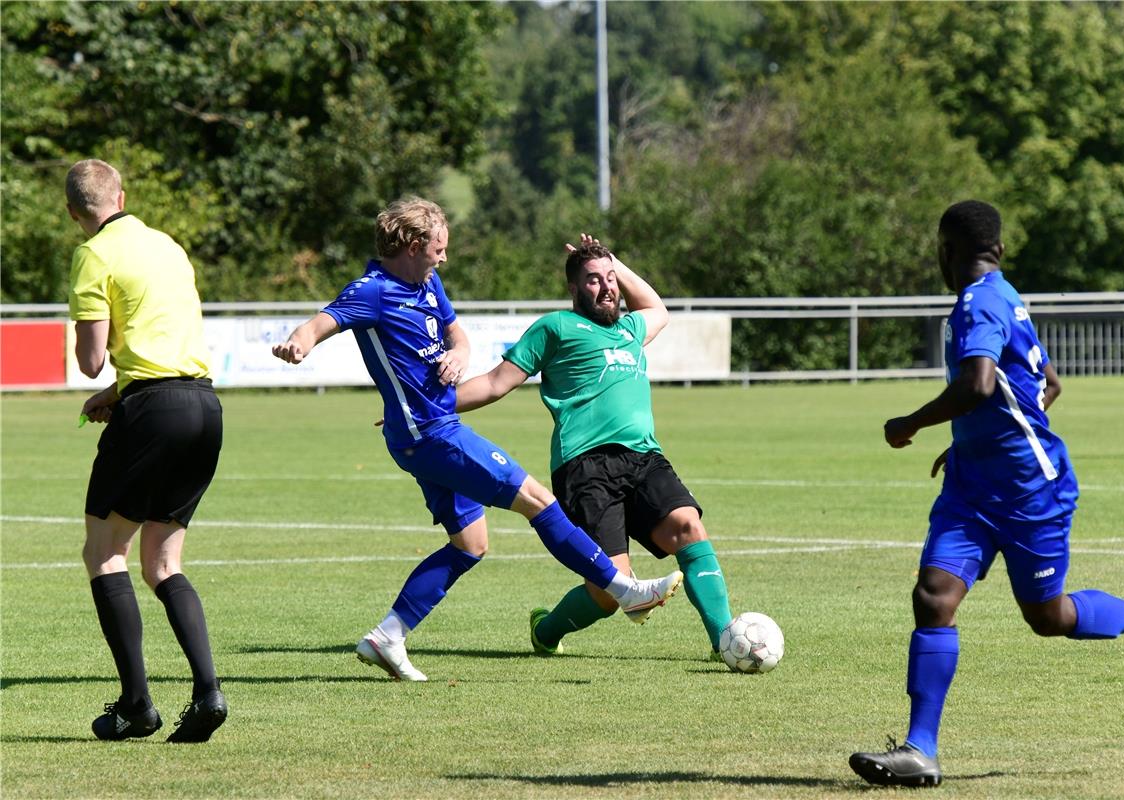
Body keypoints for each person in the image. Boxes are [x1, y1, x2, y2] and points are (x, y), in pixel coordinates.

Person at [848, 200, 1124, 788]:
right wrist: (973, 445)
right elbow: (1046, 385)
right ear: (999, 250)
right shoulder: (1004, 295)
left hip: (1032, 492)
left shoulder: (980, 301)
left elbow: (980, 384)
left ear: (944, 251)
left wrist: (909, 422)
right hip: (972, 488)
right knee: (934, 596)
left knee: (1048, 617)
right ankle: (919, 749)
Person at [271, 198, 683, 682]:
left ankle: (389, 636)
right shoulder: (373, 291)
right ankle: (622, 588)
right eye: (438, 249)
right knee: (537, 499)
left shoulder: (428, 282)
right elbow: (320, 322)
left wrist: (458, 355)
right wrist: (298, 343)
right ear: (410, 245)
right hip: (432, 435)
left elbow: (458, 336)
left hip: (424, 432)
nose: (444, 258)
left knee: (470, 543)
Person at [457, 235, 732, 660]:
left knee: (689, 528)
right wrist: (422, 408)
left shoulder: (630, 330)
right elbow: (495, 383)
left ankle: (725, 641)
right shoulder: (556, 328)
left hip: (644, 458)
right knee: (610, 590)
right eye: (593, 280)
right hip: (584, 467)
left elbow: (657, 308)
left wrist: (613, 262)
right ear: (573, 289)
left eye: (610, 280)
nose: (606, 288)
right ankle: (546, 630)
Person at [66, 159, 227, 743]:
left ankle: (137, 705)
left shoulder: (93, 254)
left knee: (105, 554)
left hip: (152, 412)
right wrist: (118, 392)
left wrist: (109, 383)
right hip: (204, 409)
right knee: (163, 563)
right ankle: (208, 691)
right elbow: (171, 348)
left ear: (72, 212)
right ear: (122, 195)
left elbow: (88, 359)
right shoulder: (168, 246)